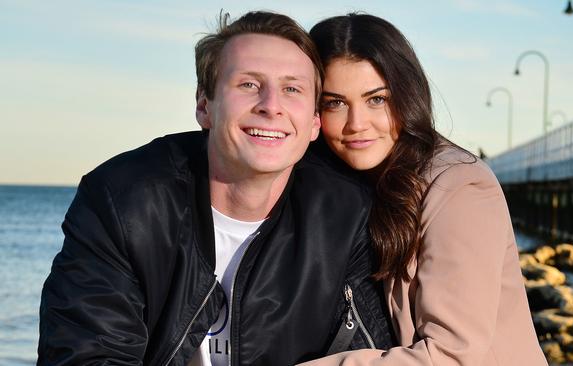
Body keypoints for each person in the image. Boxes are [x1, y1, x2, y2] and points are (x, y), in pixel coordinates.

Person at [37, 11, 394, 366]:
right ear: (204, 105)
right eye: (249, 85)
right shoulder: (122, 201)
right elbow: (85, 355)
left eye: (291, 89)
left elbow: (370, 353)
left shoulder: (346, 216)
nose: (271, 106)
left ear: (314, 122)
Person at [302, 13, 548, 365]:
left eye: (377, 99)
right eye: (335, 103)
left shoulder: (459, 187)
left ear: (407, 94)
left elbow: (450, 355)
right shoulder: (350, 182)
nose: (357, 124)